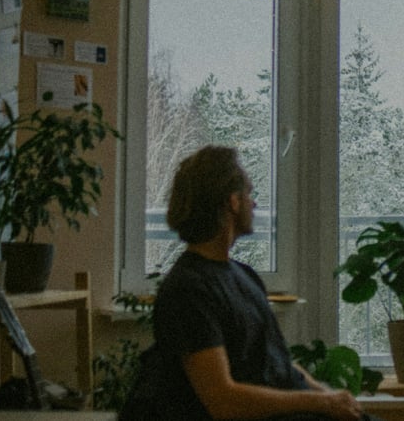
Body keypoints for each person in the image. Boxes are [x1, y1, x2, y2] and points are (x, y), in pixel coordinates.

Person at [121, 146, 377, 421]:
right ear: (232, 201)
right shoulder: (188, 290)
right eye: (249, 194)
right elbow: (223, 401)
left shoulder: (244, 275)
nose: (253, 204)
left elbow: (280, 365)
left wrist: (330, 398)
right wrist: (320, 403)